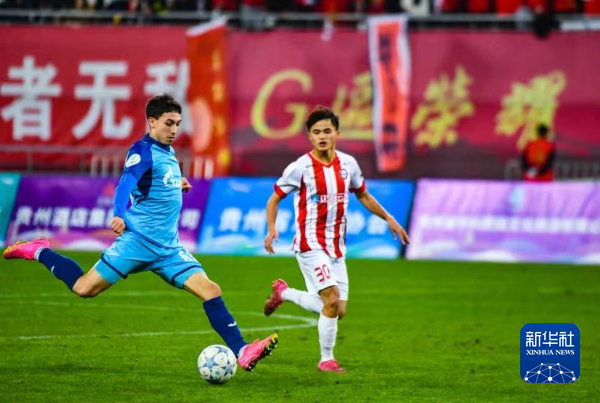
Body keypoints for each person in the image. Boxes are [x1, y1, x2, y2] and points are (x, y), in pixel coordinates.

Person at [3, 94, 277, 372]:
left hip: (169, 249)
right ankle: (38, 250)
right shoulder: (142, 151)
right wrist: (118, 214)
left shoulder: (168, 152)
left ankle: (242, 350)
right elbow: (125, 184)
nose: (174, 129)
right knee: (84, 288)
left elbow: (153, 183)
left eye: (178, 123)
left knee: (211, 289)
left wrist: (176, 184)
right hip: (137, 242)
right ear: (152, 121)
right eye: (169, 123)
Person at [262, 106, 410, 373]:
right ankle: (326, 359)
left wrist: (388, 218)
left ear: (337, 134)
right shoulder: (300, 168)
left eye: (327, 131)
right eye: (316, 132)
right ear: (309, 136)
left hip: (337, 247)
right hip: (310, 244)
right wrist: (272, 228)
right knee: (330, 299)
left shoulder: (348, 165)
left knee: (337, 309)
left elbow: (363, 195)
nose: (322, 136)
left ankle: (284, 293)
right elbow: (274, 199)